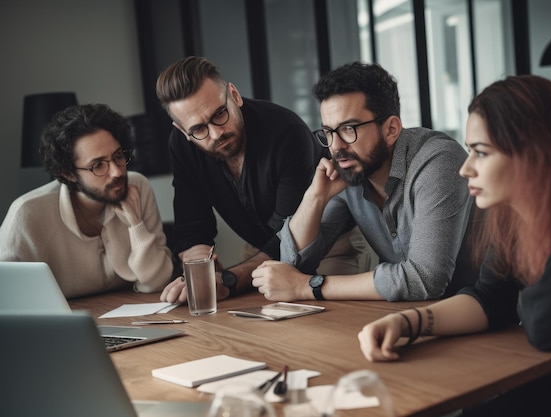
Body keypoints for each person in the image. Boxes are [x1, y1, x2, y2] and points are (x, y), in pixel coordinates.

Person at [357, 75, 551, 417]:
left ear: (534, 151)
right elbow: (488, 300)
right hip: (549, 387)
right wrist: (406, 323)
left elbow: (548, 328)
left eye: (481, 152)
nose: (466, 168)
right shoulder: (514, 220)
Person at [251, 61, 476, 302]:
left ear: (391, 129)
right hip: (403, 318)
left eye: (349, 128)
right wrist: (314, 198)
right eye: (328, 132)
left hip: (487, 323)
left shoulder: (438, 161)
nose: (336, 147)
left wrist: (307, 287)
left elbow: (426, 279)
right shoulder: (351, 172)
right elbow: (292, 263)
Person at [156, 56, 370, 304]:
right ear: (183, 131)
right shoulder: (183, 146)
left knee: (327, 328)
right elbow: (192, 226)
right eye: (199, 129)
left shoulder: (286, 131)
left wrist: (229, 280)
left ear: (234, 95)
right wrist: (201, 271)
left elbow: (287, 239)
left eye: (220, 114)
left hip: (327, 245)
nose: (216, 133)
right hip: (259, 251)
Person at [0, 104, 173, 298]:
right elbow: (6, 296)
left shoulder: (137, 187)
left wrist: (136, 225)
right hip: (65, 324)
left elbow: (157, 282)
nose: (117, 172)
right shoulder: (27, 213)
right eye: (98, 165)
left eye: (118, 156)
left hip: (135, 318)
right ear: (68, 173)